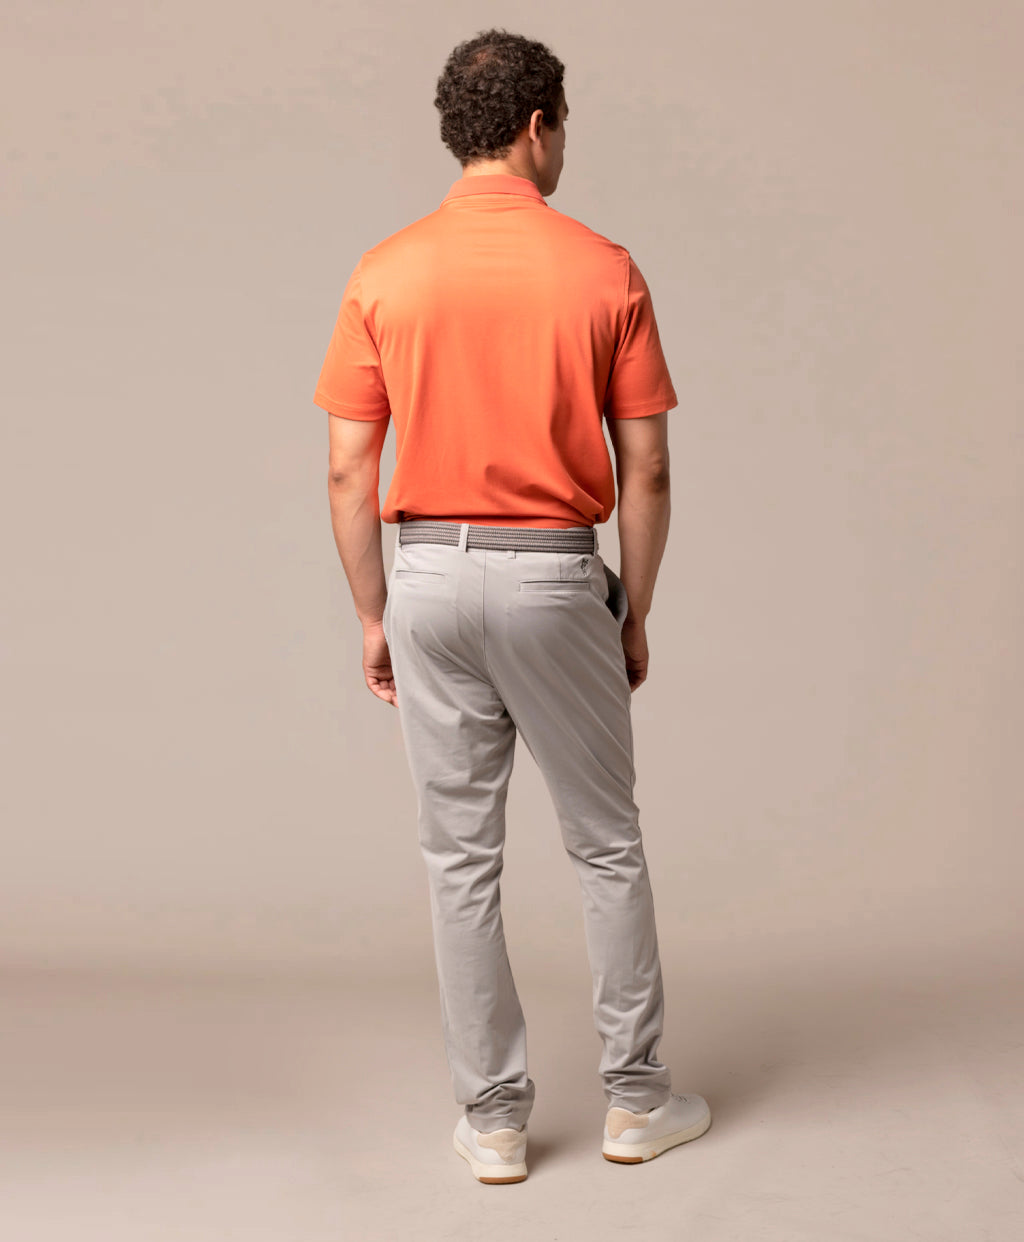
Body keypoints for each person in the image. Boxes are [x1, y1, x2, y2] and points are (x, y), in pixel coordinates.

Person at [313, 27, 711, 1183]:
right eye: (563, 127)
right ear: (539, 125)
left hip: (427, 579)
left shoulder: (384, 270)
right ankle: (635, 1103)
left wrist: (374, 613)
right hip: (551, 576)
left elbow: (348, 470)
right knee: (605, 846)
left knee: (458, 861)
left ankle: (492, 1123)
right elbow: (647, 468)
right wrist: (633, 609)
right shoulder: (603, 268)